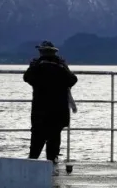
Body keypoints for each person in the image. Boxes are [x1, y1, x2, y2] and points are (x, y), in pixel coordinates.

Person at [23, 41, 78, 171]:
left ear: (41, 52)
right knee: (54, 140)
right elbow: (73, 79)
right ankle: (52, 167)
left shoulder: (37, 66)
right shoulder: (60, 66)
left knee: (37, 140)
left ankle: (31, 167)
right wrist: (64, 66)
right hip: (58, 111)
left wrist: (33, 65)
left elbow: (27, 77)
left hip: (40, 110)